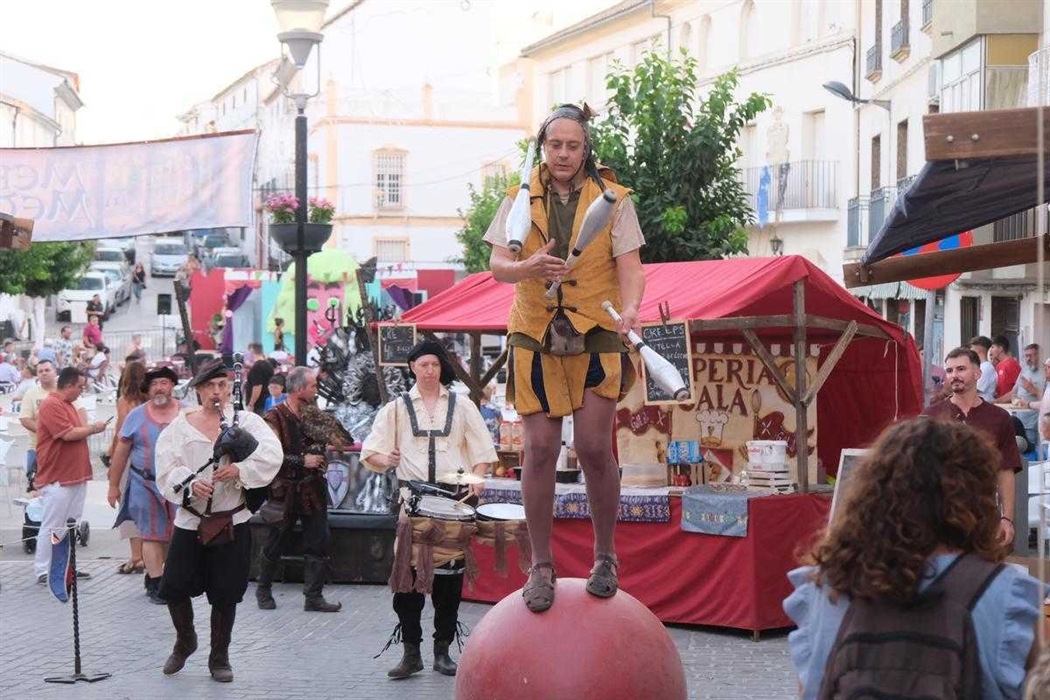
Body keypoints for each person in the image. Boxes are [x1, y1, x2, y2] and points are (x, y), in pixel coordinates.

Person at [483, 102, 646, 612]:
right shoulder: (516, 199)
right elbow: (496, 265)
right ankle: (542, 566)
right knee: (539, 450)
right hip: (533, 329)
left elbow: (631, 266)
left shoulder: (615, 200)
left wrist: (633, 308)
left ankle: (605, 556)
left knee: (596, 447)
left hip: (596, 324)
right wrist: (527, 266)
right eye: (556, 144)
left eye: (574, 145)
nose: (564, 154)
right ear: (543, 146)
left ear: (586, 148)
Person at [783, 418, 1042, 699]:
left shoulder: (827, 586)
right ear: (975, 498)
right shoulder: (1005, 593)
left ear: (870, 493)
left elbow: (811, 689)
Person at [362, 340, 497, 678]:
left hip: (454, 502)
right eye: (424, 365)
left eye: (435, 365)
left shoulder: (462, 406)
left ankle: (443, 650)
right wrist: (387, 458)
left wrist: (477, 479)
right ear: (413, 368)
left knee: (449, 581)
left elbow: (482, 450)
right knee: (407, 580)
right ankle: (411, 652)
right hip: (414, 502)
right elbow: (371, 453)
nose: (430, 370)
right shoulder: (395, 409)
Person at [155, 359, 282, 682]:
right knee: (173, 587)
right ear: (198, 390)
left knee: (225, 593)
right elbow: (166, 469)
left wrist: (241, 469)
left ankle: (219, 657)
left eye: (222, 385)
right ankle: (185, 640)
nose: (217, 392)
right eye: (210, 386)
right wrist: (188, 481)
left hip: (232, 520)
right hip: (192, 520)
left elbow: (272, 453)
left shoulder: (245, 421)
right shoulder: (179, 428)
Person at [256, 367, 342, 613]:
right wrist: (301, 460)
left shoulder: (314, 415)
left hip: (312, 488)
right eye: (313, 386)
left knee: (319, 541)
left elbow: (331, 440)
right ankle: (263, 590)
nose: (316, 390)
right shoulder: (274, 417)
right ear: (298, 389)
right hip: (285, 490)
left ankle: (313, 597)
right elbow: (269, 455)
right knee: (276, 541)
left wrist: (324, 449)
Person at [922, 348, 1021, 547]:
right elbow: (919, 470)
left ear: (978, 374)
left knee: (981, 574)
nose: (954, 375)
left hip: (983, 516)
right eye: (949, 371)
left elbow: (1006, 470)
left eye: (961, 369)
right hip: (939, 516)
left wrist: (1007, 519)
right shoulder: (930, 416)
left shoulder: (999, 418)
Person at [108, 366, 181, 604]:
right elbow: (121, 451)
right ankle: (156, 581)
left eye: (164, 383)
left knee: (175, 535)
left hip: (178, 486)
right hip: (144, 483)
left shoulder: (186, 414)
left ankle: (168, 577)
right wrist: (113, 485)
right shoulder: (136, 415)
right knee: (151, 535)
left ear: (172, 386)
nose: (159, 388)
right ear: (148, 390)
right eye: (154, 384)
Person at [33, 368, 109, 583]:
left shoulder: (67, 405)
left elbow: (75, 432)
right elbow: (67, 434)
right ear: (68, 385)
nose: (81, 391)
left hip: (75, 476)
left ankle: (66, 566)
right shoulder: (51, 405)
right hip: (58, 478)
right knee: (52, 524)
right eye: (79, 387)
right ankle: (43, 569)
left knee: (69, 524)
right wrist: (94, 428)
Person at [107, 361, 148, 575]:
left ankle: (137, 556)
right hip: (149, 457)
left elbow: (120, 432)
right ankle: (150, 555)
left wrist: (113, 458)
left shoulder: (125, 401)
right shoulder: (152, 401)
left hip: (130, 457)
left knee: (130, 507)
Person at [19, 360, 86, 489]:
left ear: (55, 372)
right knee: (36, 489)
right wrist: (47, 432)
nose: (44, 373)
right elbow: (25, 419)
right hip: (37, 449)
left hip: (63, 450)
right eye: (40, 371)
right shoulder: (31, 394)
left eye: (47, 370)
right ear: (37, 374)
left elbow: (81, 413)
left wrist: (80, 430)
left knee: (61, 489)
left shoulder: (66, 391)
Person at [997, 343, 1045, 450]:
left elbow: (1048, 399)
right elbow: (1013, 392)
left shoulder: (1046, 372)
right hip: (1019, 420)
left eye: (1031, 355)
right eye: (1026, 356)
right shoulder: (1024, 370)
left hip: (1034, 423)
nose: (1028, 359)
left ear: (1040, 355)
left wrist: (1033, 390)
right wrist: (995, 401)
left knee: (1032, 452)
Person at [991, 335, 1022, 400]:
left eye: (993, 347)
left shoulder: (1012, 364)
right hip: (998, 404)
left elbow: (1019, 388)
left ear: (1001, 348)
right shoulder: (998, 365)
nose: (991, 350)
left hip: (1009, 406)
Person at [970, 335, 999, 403]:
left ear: (978, 349)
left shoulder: (987, 368)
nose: (970, 349)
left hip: (983, 406)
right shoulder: (981, 366)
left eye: (972, 347)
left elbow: (975, 389)